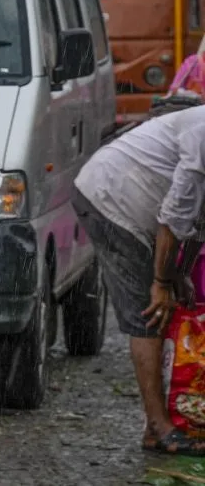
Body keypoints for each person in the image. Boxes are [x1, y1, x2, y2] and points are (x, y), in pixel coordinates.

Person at [73, 106, 205, 455]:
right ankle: (158, 430)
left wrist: (181, 272)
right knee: (149, 314)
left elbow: (198, 220)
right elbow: (174, 216)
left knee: (164, 305)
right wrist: (162, 282)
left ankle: (163, 420)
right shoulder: (202, 137)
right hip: (111, 197)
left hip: (140, 200)